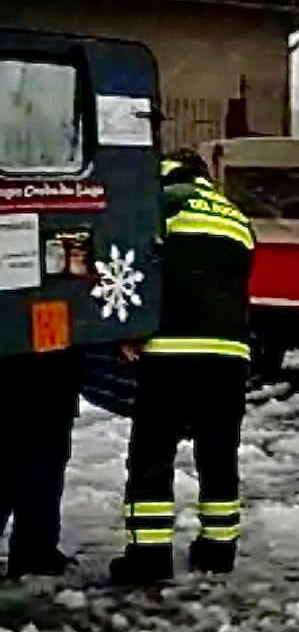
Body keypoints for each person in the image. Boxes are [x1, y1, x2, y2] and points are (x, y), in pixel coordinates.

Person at [109, 148, 254, 586]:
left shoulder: (162, 204)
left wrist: (128, 330)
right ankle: (218, 550)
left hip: (170, 351)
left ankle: (148, 557)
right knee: (218, 453)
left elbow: (134, 265)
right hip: (230, 356)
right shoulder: (236, 217)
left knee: (152, 454)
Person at [0, 347, 81, 580]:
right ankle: (34, 553)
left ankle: (35, 552)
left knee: (34, 461)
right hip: (51, 369)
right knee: (42, 462)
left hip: (47, 370)